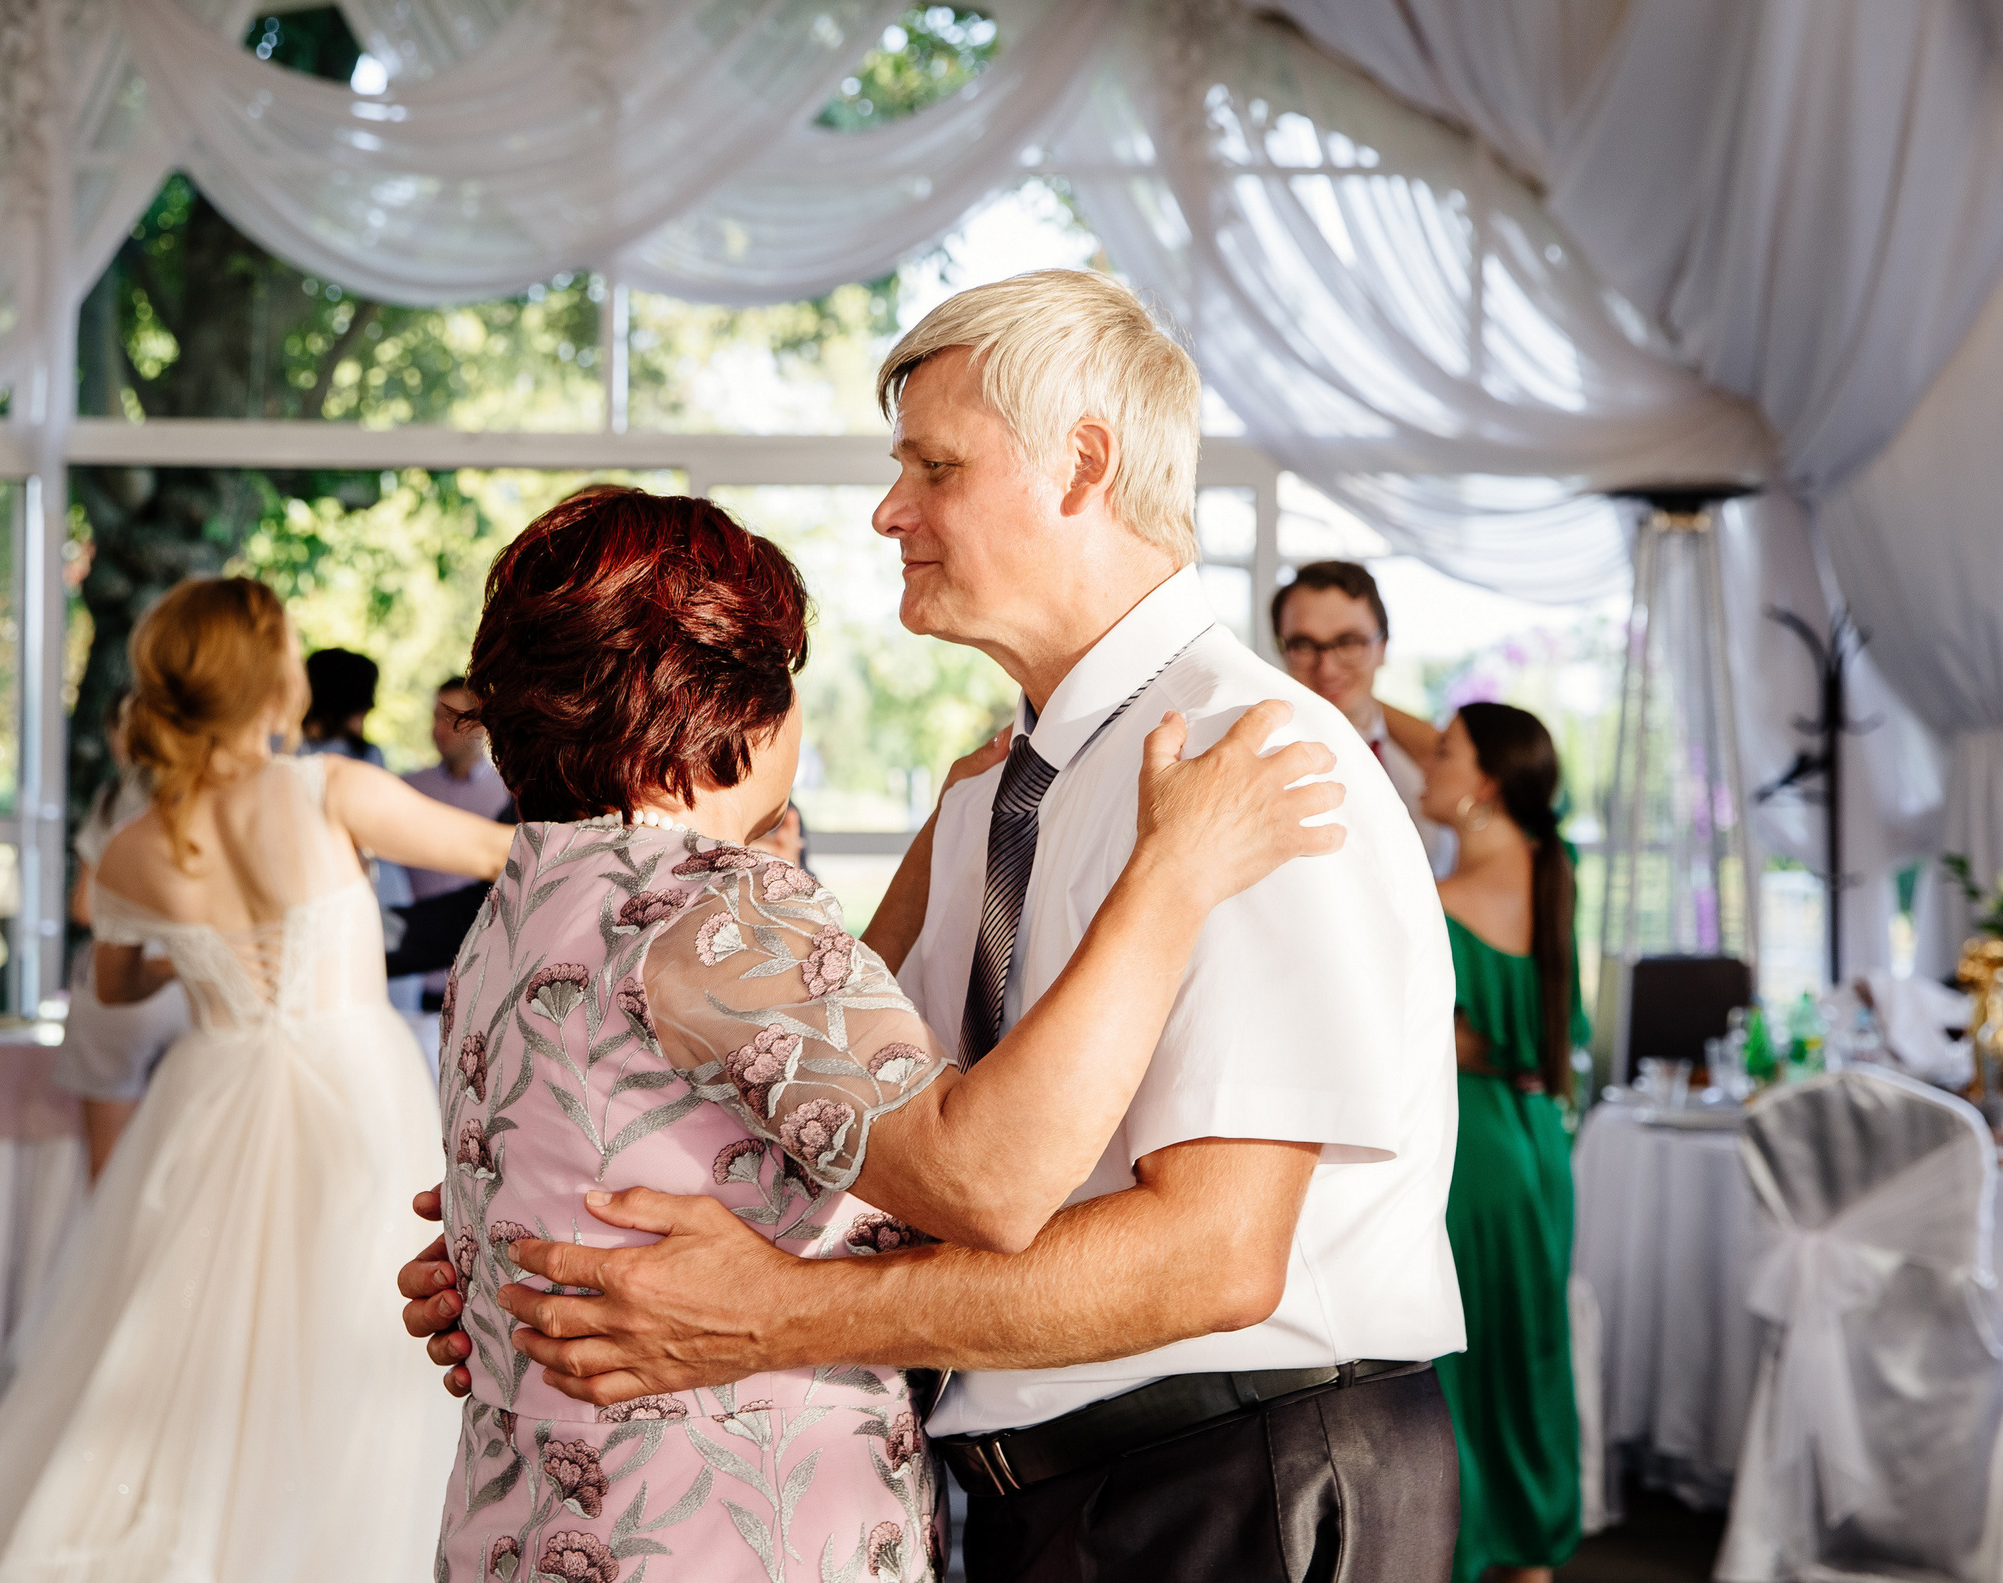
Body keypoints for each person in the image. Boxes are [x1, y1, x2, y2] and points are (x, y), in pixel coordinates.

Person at [406, 271, 1464, 1583]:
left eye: (934, 466)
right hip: (1037, 1497)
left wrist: (773, 1311)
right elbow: (830, 1120)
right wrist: (565, 1234)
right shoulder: (986, 795)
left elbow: (1215, 1254)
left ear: (1084, 464)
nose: (887, 510)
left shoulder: (1251, 765)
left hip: (1239, 1477)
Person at [0, 577, 515, 1583]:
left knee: (191, 1333)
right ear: (273, 679)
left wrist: (197, 957)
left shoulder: (129, 850)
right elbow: (498, 852)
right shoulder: (328, 789)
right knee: (355, 1320)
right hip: (353, 1079)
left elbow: (114, 986)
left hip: (215, 1092)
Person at [1416, 702, 1586, 1583]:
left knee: (1458, 1366)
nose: (1424, 762)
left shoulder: (1439, 904)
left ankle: (1463, 1544)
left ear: (1484, 781)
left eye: (1442, 751)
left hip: (1471, 1150)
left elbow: (1416, 1042)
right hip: (1540, 1147)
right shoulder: (1553, 864)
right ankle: (1532, 1552)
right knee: (1527, 1358)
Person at [54, 739, 191, 1179]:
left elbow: (84, 908)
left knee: (108, 1166)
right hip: (195, 990)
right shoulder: (216, 800)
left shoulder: (114, 800)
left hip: (124, 987)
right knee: (187, 1164)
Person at [1272, 562, 1449, 872]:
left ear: (1383, 646)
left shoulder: (1430, 760)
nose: (1327, 668)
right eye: (1303, 645)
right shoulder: (1271, 769)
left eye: (1348, 642)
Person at [385, 677, 514, 1019]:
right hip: (410, 977)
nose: (439, 729)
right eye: (435, 717)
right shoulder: (405, 790)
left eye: (452, 718)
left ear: (481, 724)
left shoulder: (509, 795)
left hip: (482, 978)